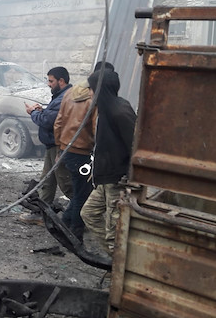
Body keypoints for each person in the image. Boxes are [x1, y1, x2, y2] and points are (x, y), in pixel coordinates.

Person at [81, 69, 136, 253]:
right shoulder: (103, 110)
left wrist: (128, 178)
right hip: (103, 180)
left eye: (92, 88)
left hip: (116, 181)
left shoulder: (120, 111)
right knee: (88, 214)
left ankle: (118, 272)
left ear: (100, 89)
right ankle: (114, 261)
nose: (89, 92)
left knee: (114, 234)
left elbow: (134, 147)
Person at [20, 67, 74, 225]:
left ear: (61, 81)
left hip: (59, 146)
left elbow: (48, 121)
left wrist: (33, 113)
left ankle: (82, 216)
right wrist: (42, 110)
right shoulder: (60, 96)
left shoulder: (64, 97)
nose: (48, 84)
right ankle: (42, 214)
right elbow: (52, 116)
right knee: (47, 180)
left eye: (51, 81)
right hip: (52, 145)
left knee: (66, 183)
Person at [54, 73, 98, 242]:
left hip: (67, 149)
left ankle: (65, 224)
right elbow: (95, 128)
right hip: (82, 151)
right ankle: (74, 233)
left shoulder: (69, 92)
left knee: (80, 191)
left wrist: (60, 147)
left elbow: (58, 122)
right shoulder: (94, 98)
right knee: (82, 195)